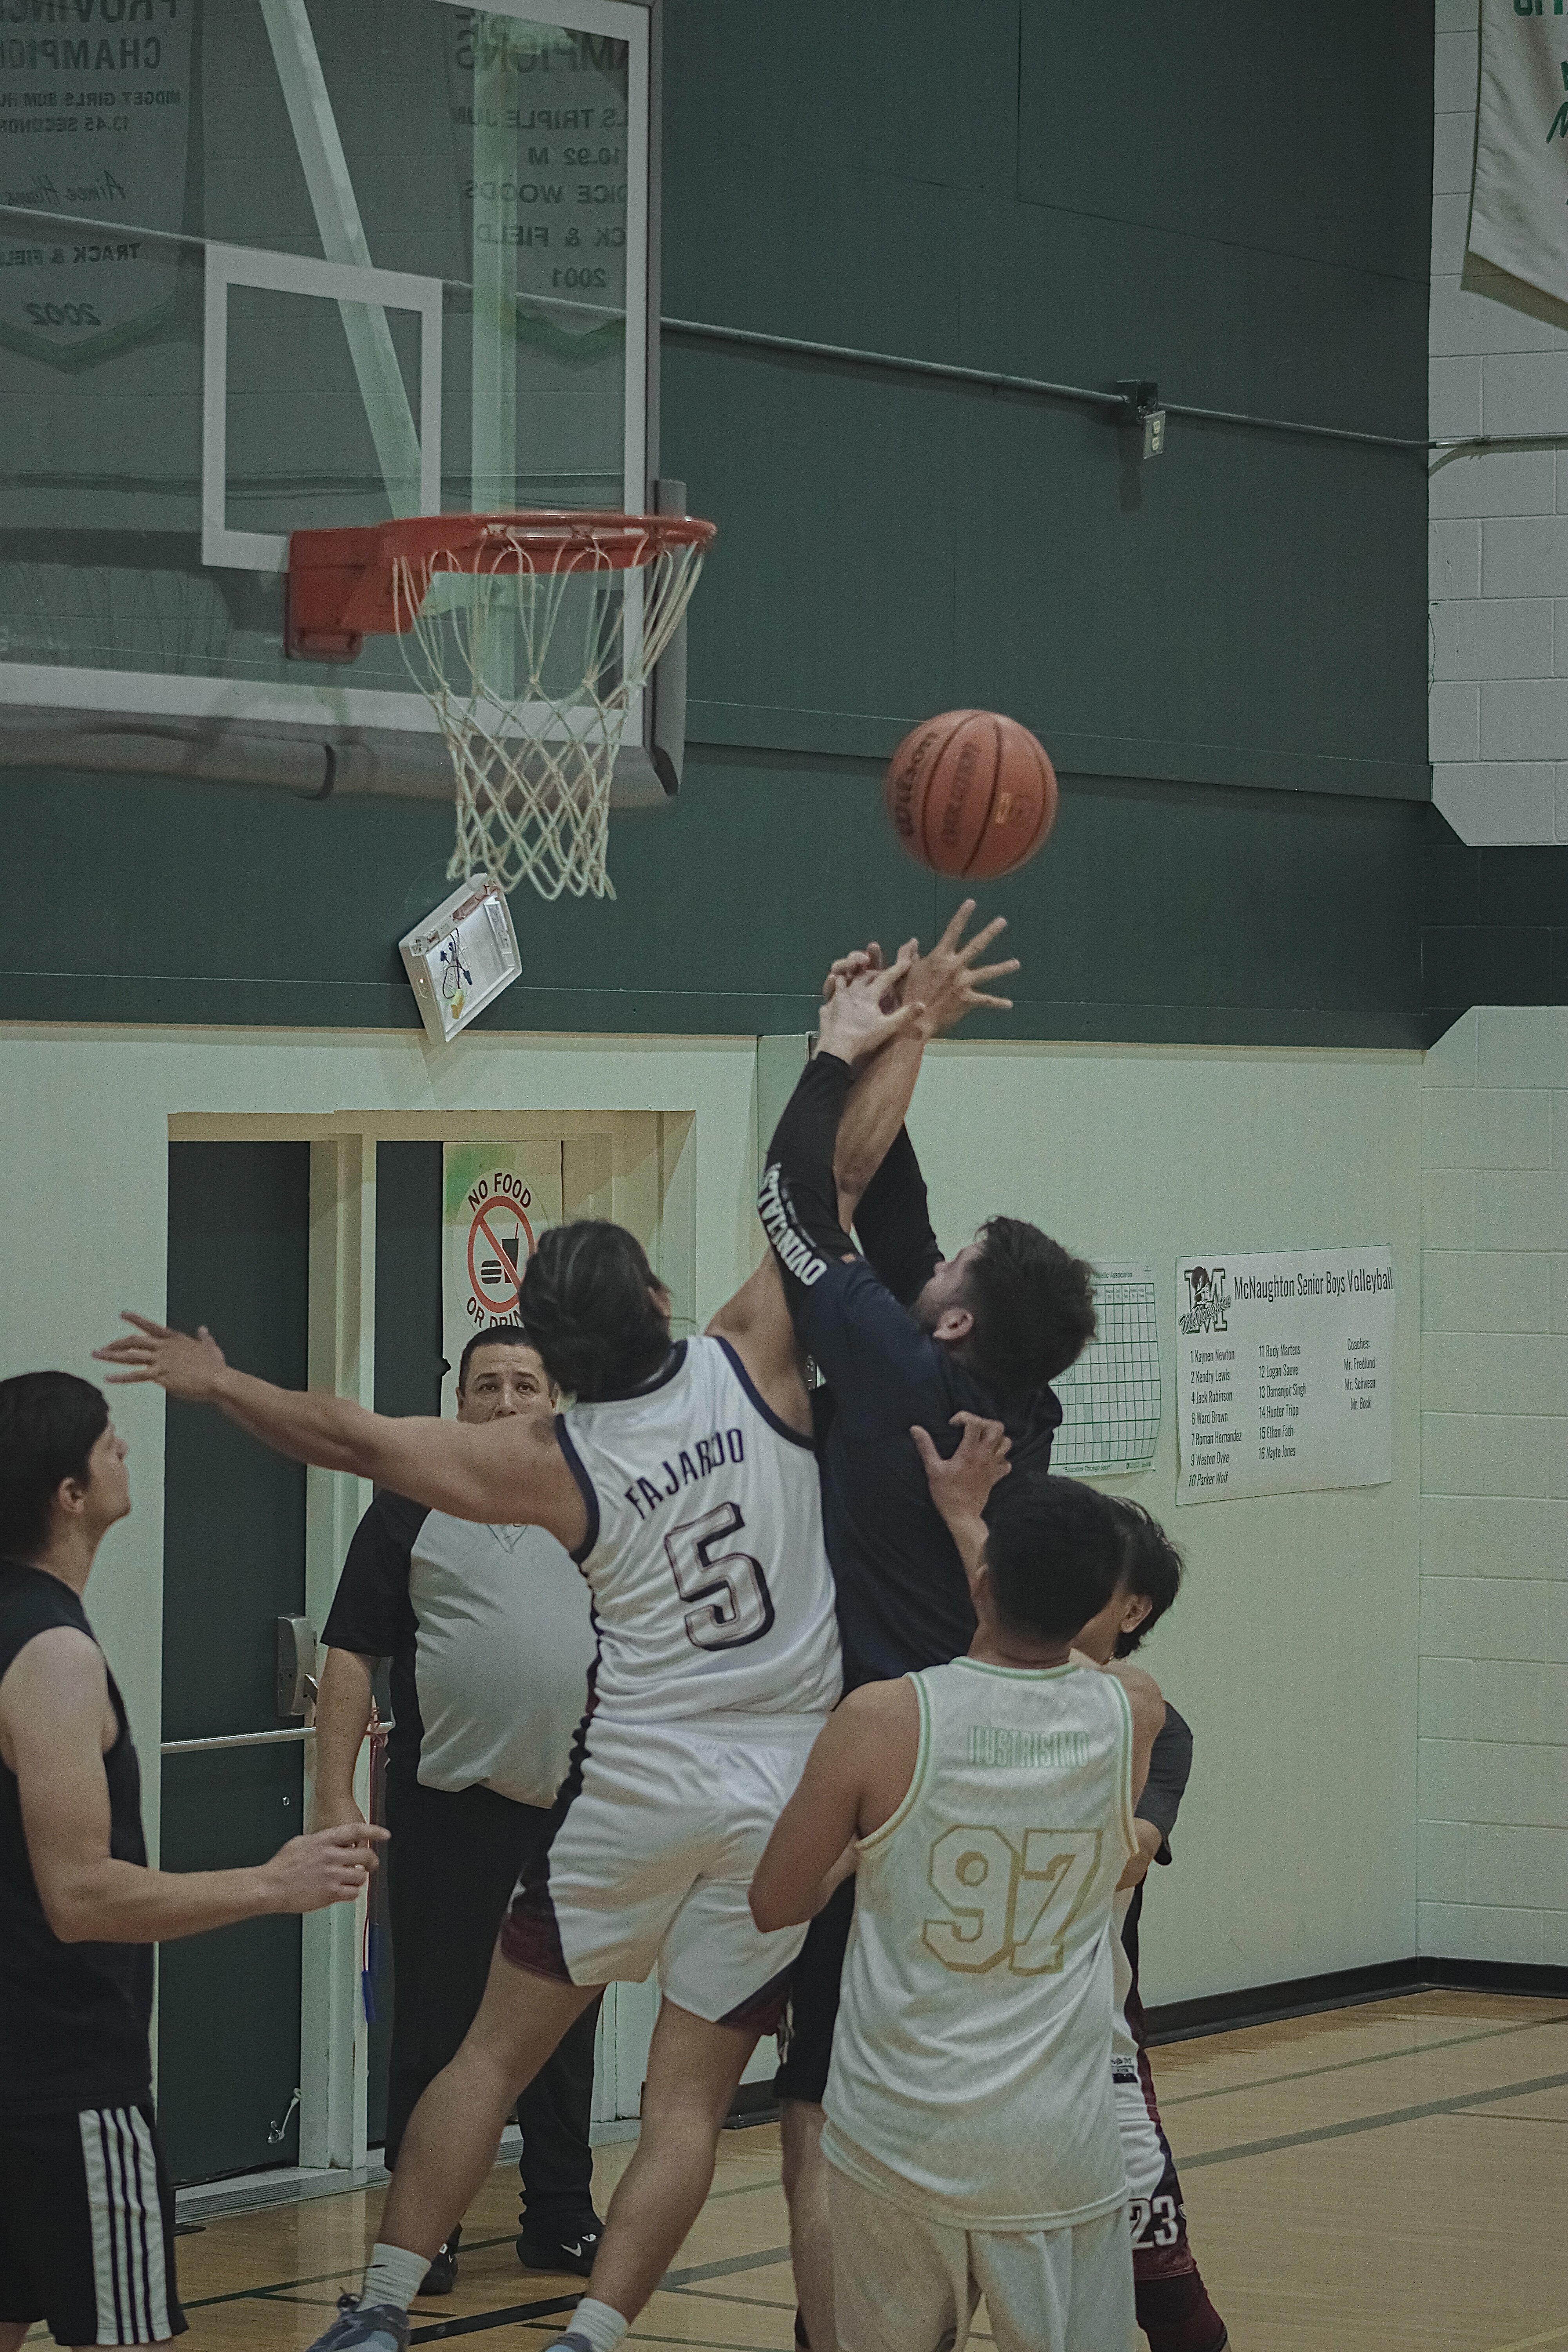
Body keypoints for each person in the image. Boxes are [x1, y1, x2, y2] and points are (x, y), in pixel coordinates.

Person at [91, 951, 930, 2352]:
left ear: (549, 1349)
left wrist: (219, 1378)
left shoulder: (552, 1458)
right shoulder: (749, 1351)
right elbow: (837, 1183)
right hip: (785, 1800)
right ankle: (594, 2334)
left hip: (632, 1798)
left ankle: (375, 2309)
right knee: (681, 2102)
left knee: (492, 2047)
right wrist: (889, 1036)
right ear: (659, 1295)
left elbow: (354, 1436)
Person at [755, 915, 1102, 2349]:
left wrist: (830, 1058)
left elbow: (794, 1208)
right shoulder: (1012, 1402)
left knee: (821, 2103)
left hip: (889, 1761)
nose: (932, 1267)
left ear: (953, 1328)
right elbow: (892, 1228)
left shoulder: (901, 1372)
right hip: (978, 1761)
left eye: (952, 1273)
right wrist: (903, 1030)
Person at [750, 1439, 1167, 2352]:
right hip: (1057, 2148)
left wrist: (863, 1854)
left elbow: (775, 1903)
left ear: (983, 1586)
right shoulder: (1130, 1712)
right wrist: (979, 1531)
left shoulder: (880, 1720)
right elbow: (1069, 1662)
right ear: (1104, 1605)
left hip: (902, 2137)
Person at [0, 1372, 383, 2352]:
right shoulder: (51, 1652)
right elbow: (79, 1895)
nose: (127, 1451)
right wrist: (274, 1882)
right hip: (66, 2081)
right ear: (69, 1492)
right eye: (109, 1442)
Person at [312, 1325, 603, 2292]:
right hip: (449, 1808)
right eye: (487, 1385)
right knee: (436, 2024)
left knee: (562, 2028)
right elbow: (353, 1651)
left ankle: (559, 2218)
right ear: (460, 1401)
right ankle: (423, 2229)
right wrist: (331, 1793)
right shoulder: (411, 1501)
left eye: (526, 1382)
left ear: (553, 1397)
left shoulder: (600, 1501)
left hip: (582, 1812)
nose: (507, 1400)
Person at [1080, 1499, 1229, 2352]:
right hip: (946, 2066)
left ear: (1132, 1608)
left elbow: (1126, 1854)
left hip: (1095, 2056)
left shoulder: (1152, 1725)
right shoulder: (936, 1701)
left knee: (1169, 2304)